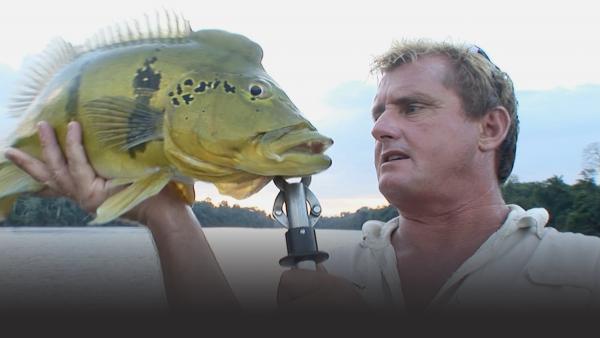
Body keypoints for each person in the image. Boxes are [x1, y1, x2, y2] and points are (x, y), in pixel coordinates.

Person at [5, 39, 600, 315]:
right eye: (377, 113)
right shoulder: (331, 278)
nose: (380, 130)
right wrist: (164, 212)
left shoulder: (582, 273)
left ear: (489, 128)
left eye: (411, 108)